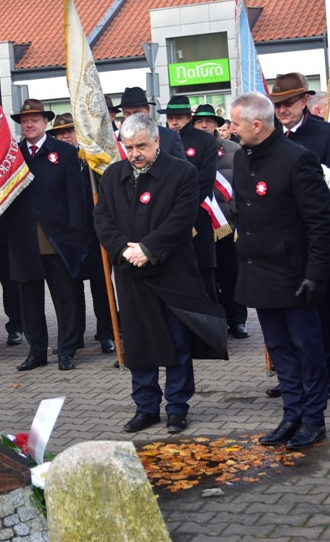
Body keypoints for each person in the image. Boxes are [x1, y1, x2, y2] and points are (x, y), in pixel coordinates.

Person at [94, 113, 227, 434]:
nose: (135, 153)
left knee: (176, 344)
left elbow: (181, 219)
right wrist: (124, 250)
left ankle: (177, 407)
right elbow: (102, 219)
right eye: (129, 147)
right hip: (130, 274)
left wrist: (148, 249)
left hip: (171, 273)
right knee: (139, 345)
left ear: (156, 140)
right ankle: (146, 407)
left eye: (141, 145)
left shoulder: (182, 172)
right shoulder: (113, 176)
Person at [230, 93, 330, 450]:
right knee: (279, 349)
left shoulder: (297, 160)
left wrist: (316, 273)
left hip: (294, 274)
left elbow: (320, 222)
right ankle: (291, 414)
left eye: (235, 123)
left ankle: (313, 418)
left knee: (306, 349)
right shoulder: (244, 159)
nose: (231, 129)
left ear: (256, 125)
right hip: (259, 271)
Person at [269, 72, 330, 395]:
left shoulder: (326, 135)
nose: (282, 110)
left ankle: (327, 374)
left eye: (288, 103)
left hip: (316, 238)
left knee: (323, 310)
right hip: (281, 241)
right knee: (288, 311)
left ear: (305, 100)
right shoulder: (270, 136)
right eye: (277, 105)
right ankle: (292, 375)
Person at [5, 99, 91, 372]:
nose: (29, 124)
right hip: (23, 238)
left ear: (45, 123)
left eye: (35, 119)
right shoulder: (12, 155)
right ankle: (37, 351)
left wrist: (77, 236)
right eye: (24, 120)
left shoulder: (64, 153)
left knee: (65, 298)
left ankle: (66, 350)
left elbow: (76, 199)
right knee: (29, 300)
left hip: (57, 238)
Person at [47, 113, 116, 354]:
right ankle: (73, 336)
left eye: (69, 131)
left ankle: (107, 333)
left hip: (95, 230)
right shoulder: (52, 160)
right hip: (68, 233)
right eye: (59, 133)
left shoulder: (91, 159)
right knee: (70, 288)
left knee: (101, 284)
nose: (64, 136)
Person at [193, 104, 248, 339]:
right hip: (200, 227)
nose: (204, 125)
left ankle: (237, 321)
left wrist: (235, 218)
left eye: (209, 121)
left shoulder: (234, 150)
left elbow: (242, 188)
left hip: (228, 226)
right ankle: (216, 323)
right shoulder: (185, 150)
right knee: (207, 278)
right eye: (199, 121)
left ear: (217, 124)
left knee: (232, 276)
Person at [159, 96, 219, 301]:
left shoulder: (204, 140)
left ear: (189, 118)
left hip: (198, 213)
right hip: (168, 217)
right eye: (171, 118)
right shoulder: (159, 140)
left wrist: (183, 205)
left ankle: (214, 324)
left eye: (180, 118)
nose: (174, 122)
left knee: (204, 271)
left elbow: (205, 178)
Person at [113, 87, 186, 159]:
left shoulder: (169, 136)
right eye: (128, 114)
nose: (133, 118)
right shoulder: (114, 139)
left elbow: (182, 168)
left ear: (147, 109)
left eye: (136, 113)